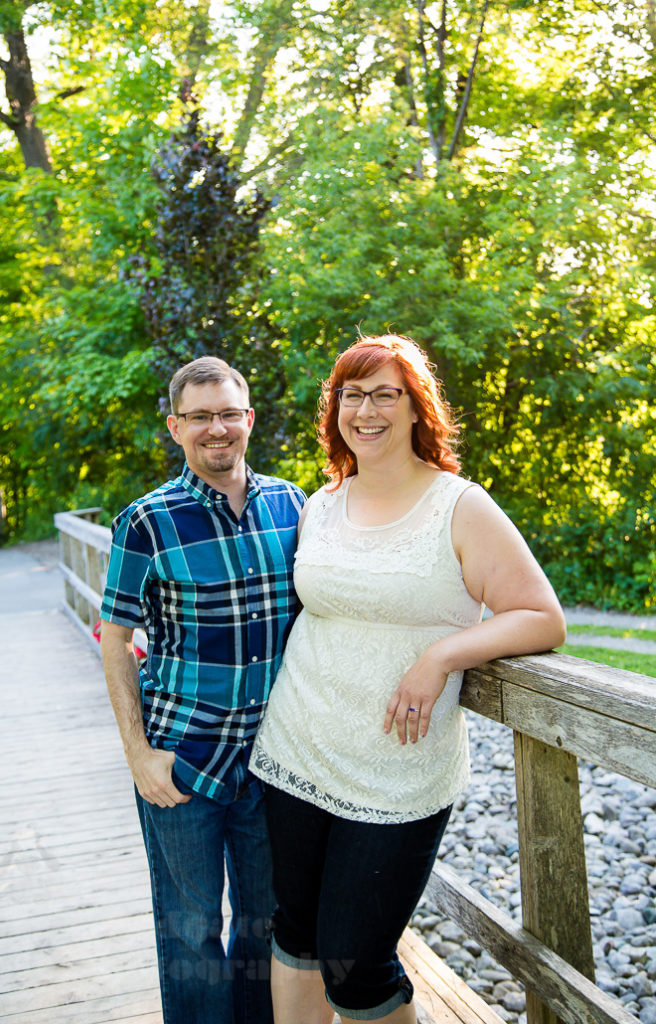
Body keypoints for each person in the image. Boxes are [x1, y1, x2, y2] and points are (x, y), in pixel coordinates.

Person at [250, 333, 567, 1024]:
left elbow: (540, 616)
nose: (365, 409)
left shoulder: (458, 506)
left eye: (383, 393)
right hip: (296, 748)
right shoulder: (320, 503)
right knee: (296, 934)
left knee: (358, 964)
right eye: (350, 394)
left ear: (416, 407)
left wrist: (441, 655)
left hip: (397, 769)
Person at [99, 356, 305, 1024]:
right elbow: (114, 636)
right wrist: (137, 754)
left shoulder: (293, 504)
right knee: (189, 930)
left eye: (227, 414)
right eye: (198, 417)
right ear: (174, 427)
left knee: (263, 925)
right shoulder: (146, 522)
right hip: (182, 762)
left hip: (275, 763)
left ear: (249, 420)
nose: (215, 429)